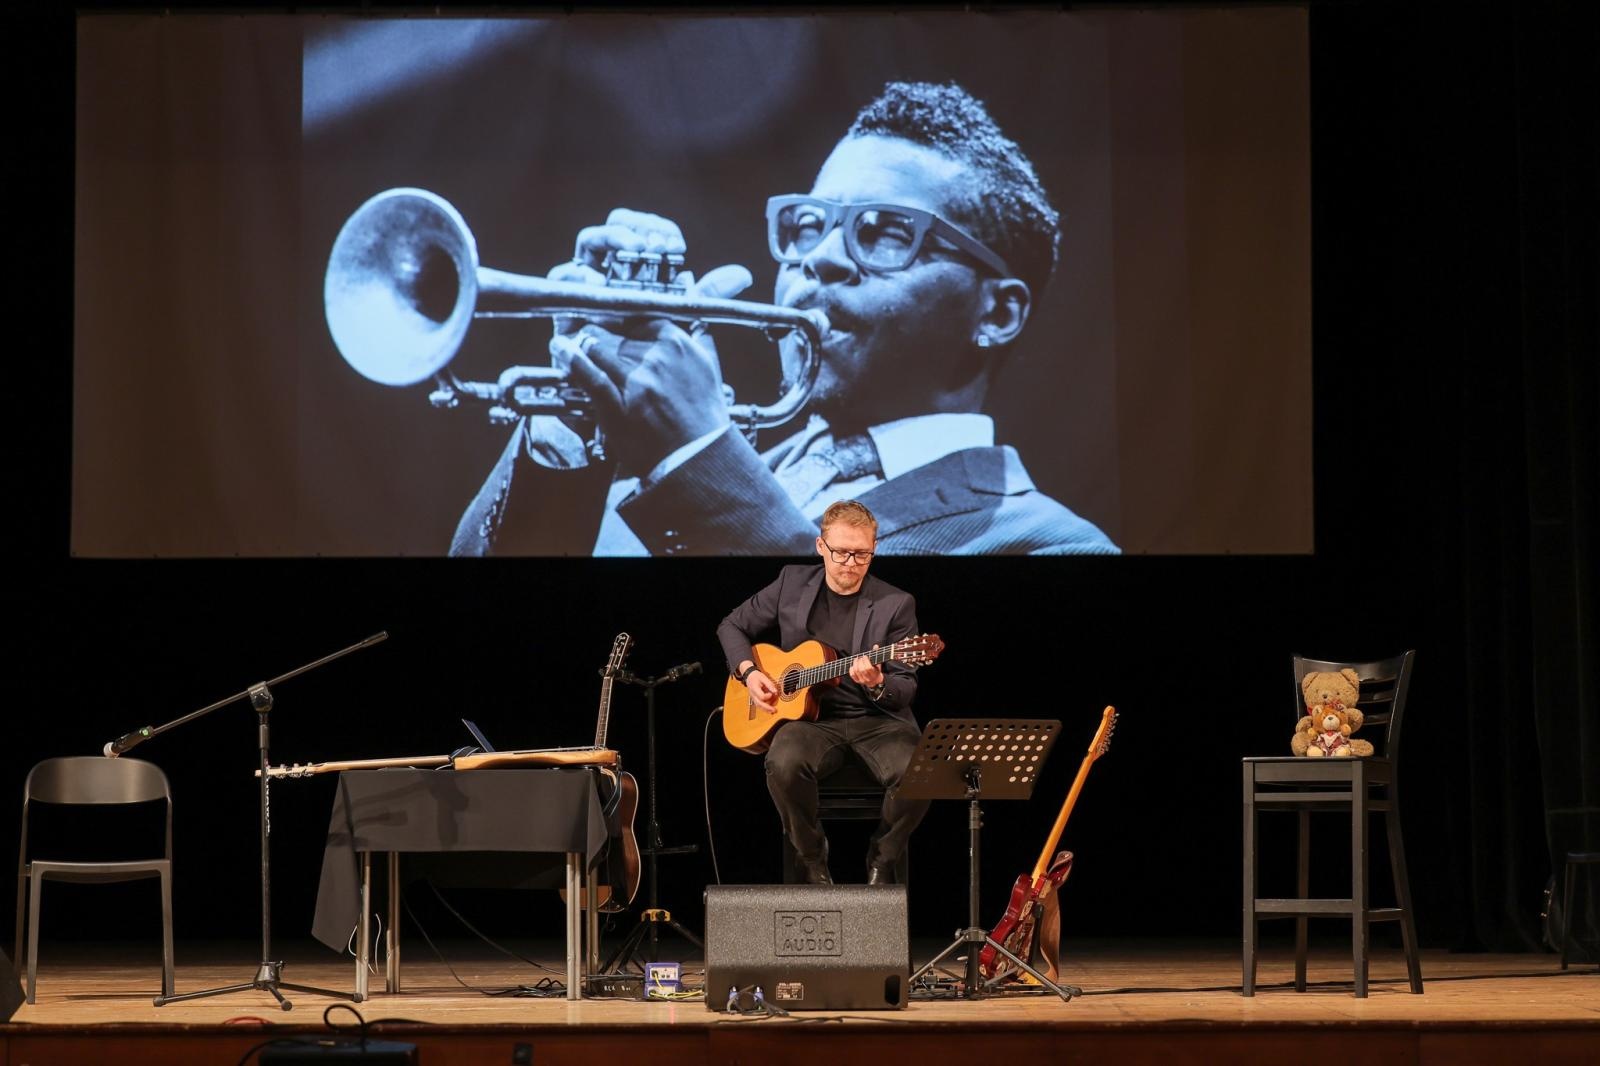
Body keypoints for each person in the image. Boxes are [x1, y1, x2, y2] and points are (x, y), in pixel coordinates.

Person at [451, 80, 1118, 556]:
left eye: (884, 233)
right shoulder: (719, 473)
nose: (820, 259)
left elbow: (863, 699)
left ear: (997, 313)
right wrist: (571, 414)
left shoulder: (1050, 544)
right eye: (807, 225)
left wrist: (699, 452)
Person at [717, 500, 926, 884]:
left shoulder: (896, 604)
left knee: (921, 770)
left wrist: (877, 683)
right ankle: (811, 857)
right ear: (820, 546)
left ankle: (883, 856)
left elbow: (904, 689)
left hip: (878, 722)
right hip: (812, 722)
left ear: (874, 549)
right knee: (782, 763)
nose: (850, 562)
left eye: (862, 554)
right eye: (841, 552)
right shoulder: (790, 583)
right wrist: (749, 673)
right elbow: (732, 627)